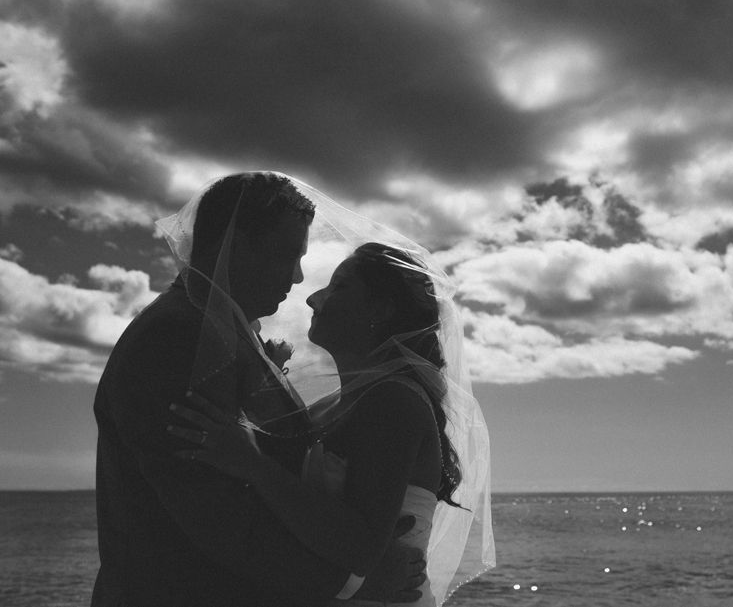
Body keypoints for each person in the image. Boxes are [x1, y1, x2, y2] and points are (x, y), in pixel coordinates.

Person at [92, 173, 426, 607]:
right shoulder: (180, 336)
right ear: (232, 245)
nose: (298, 275)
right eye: (286, 254)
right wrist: (354, 583)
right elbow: (213, 514)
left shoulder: (216, 329)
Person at [163, 174, 495, 606]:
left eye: (338, 287)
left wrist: (252, 464)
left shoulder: (395, 400)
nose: (312, 298)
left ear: (379, 309)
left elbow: (361, 546)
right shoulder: (334, 406)